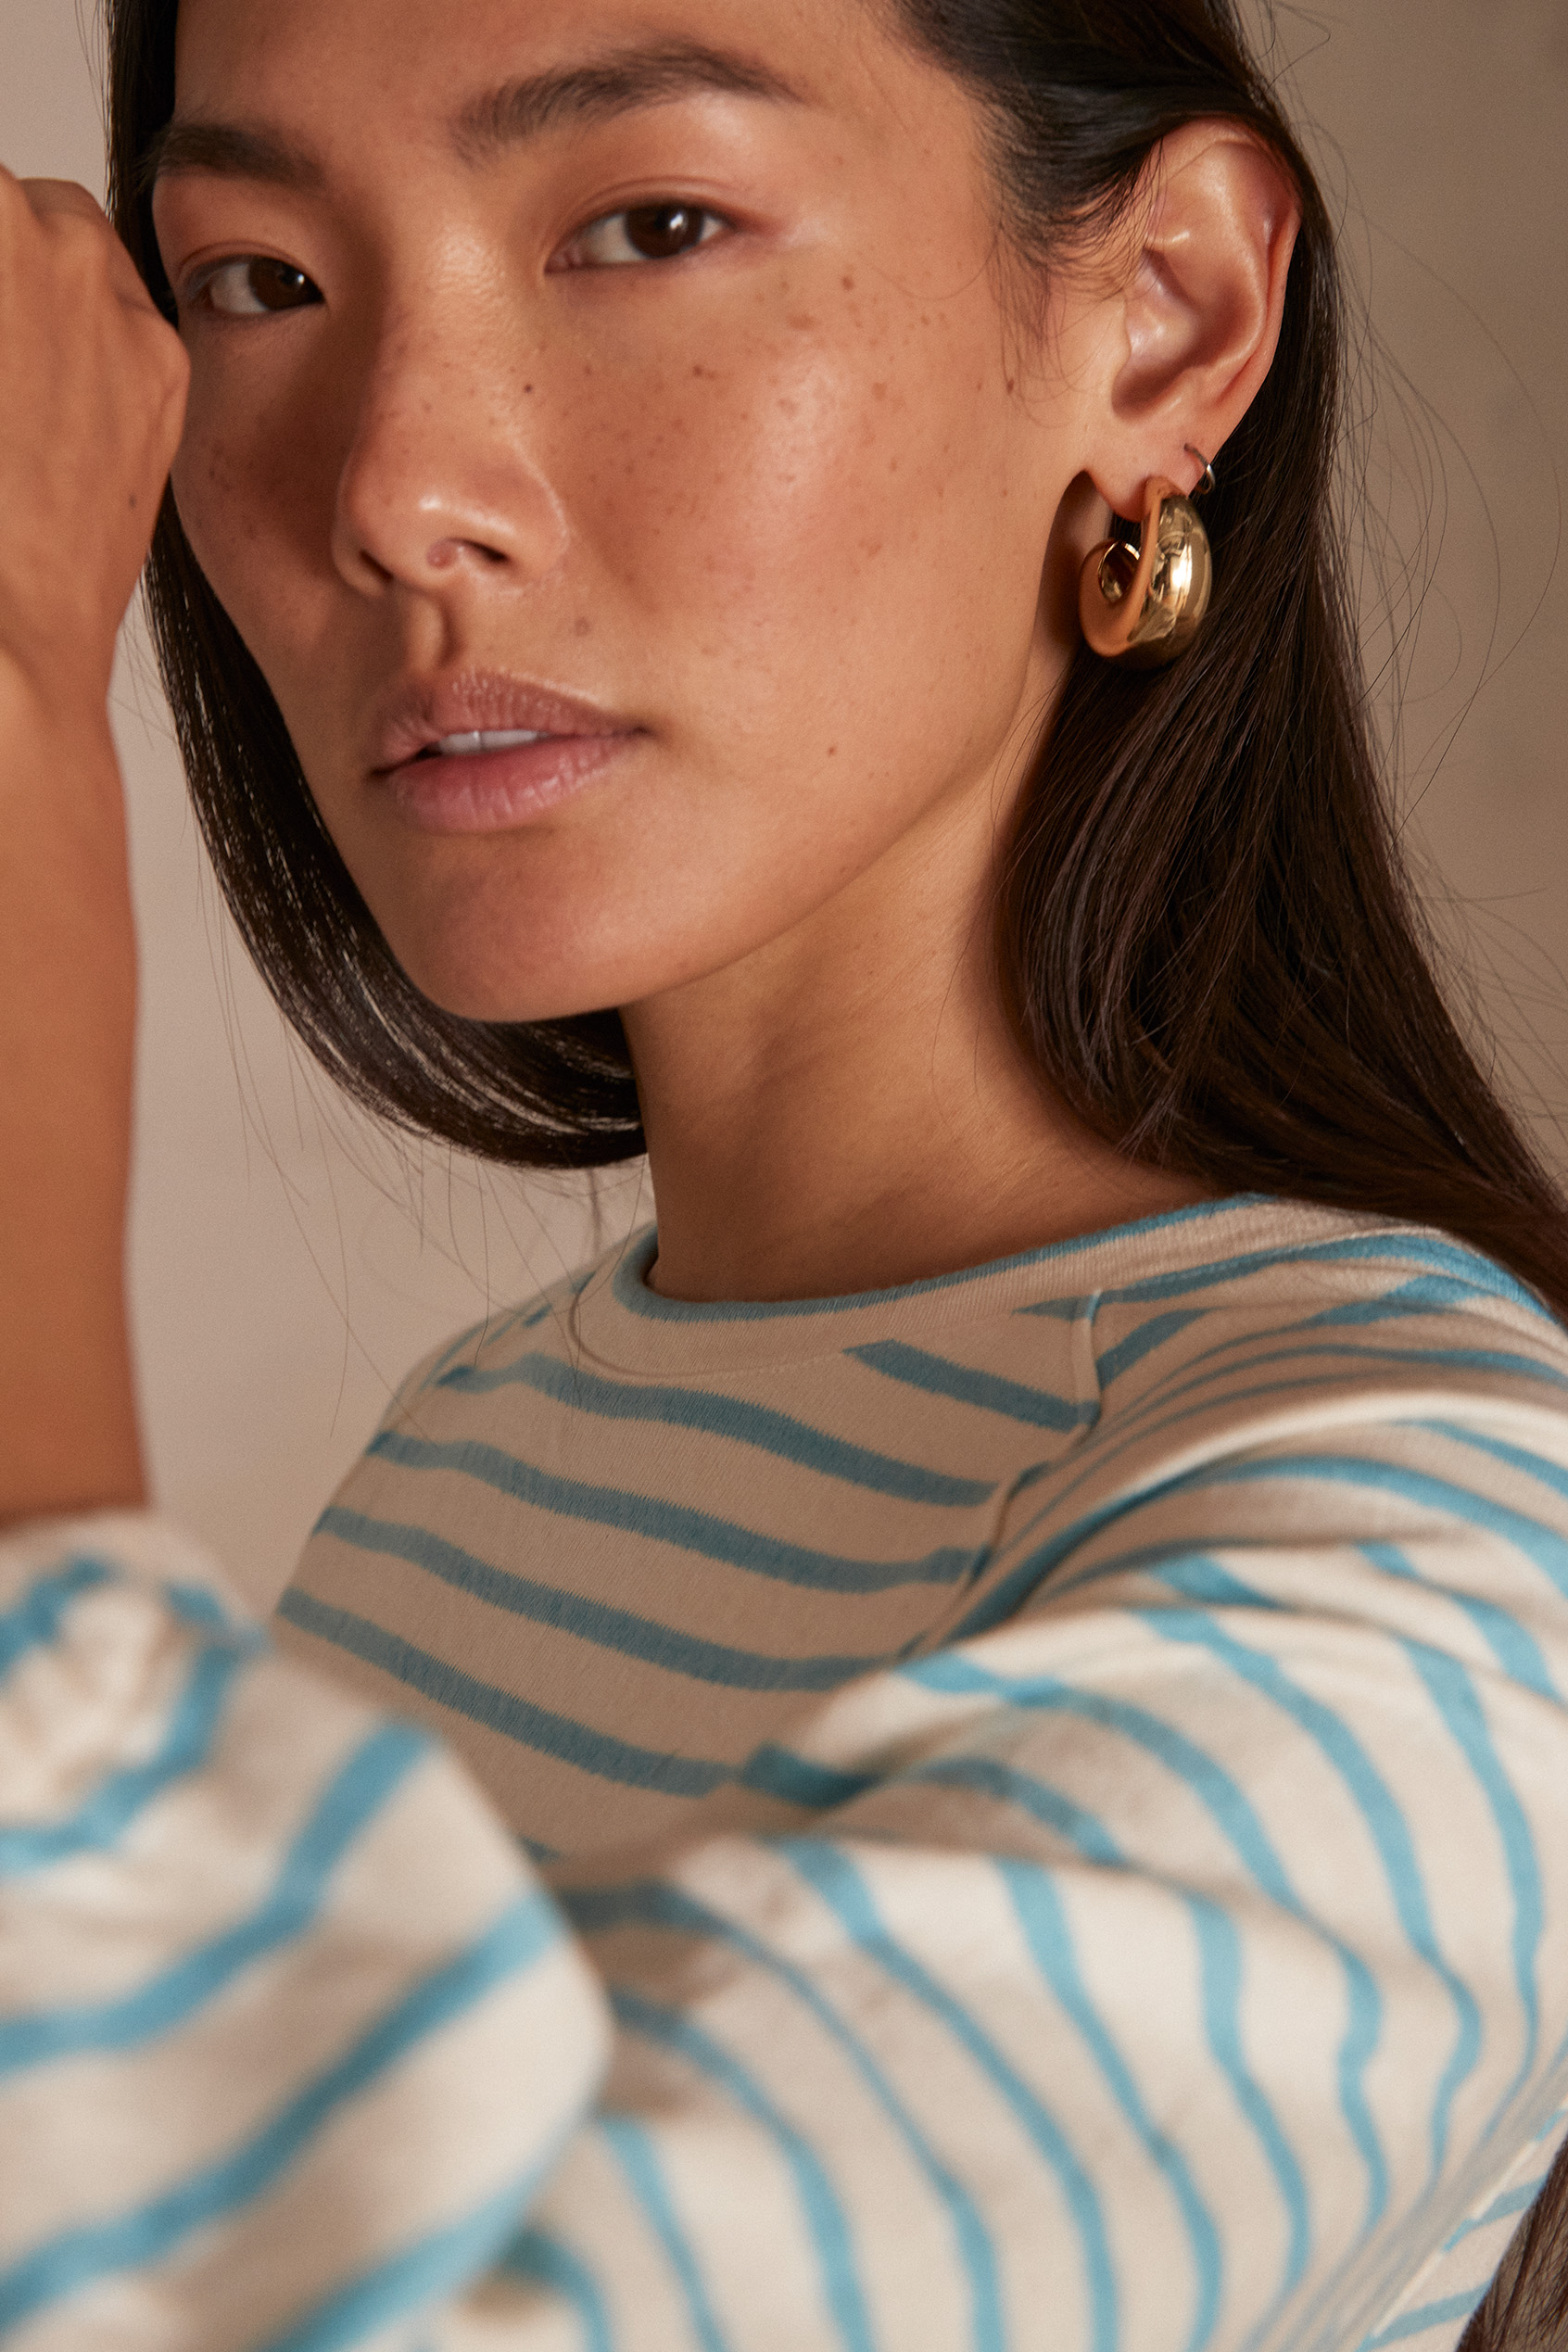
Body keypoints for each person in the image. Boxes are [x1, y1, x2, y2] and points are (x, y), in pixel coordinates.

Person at [3, 0, 1568, 2344]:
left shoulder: (1439, 1549)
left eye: (652, 226)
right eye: (261, 280)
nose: (395, 487)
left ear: (1168, 320)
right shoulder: (485, 1455)